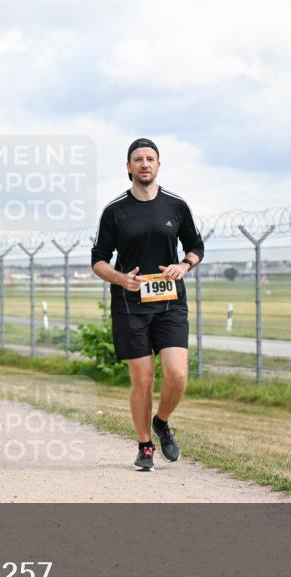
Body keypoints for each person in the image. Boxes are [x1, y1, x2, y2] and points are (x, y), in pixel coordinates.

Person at [91, 138, 205, 471]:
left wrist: (184, 265)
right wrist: (120, 278)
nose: (144, 164)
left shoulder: (176, 206)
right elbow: (98, 260)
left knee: (177, 374)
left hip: (170, 302)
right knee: (142, 380)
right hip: (130, 304)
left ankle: (162, 421)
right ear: (128, 167)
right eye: (138, 159)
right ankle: (145, 446)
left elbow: (195, 245)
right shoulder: (115, 211)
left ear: (158, 165)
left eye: (150, 159)